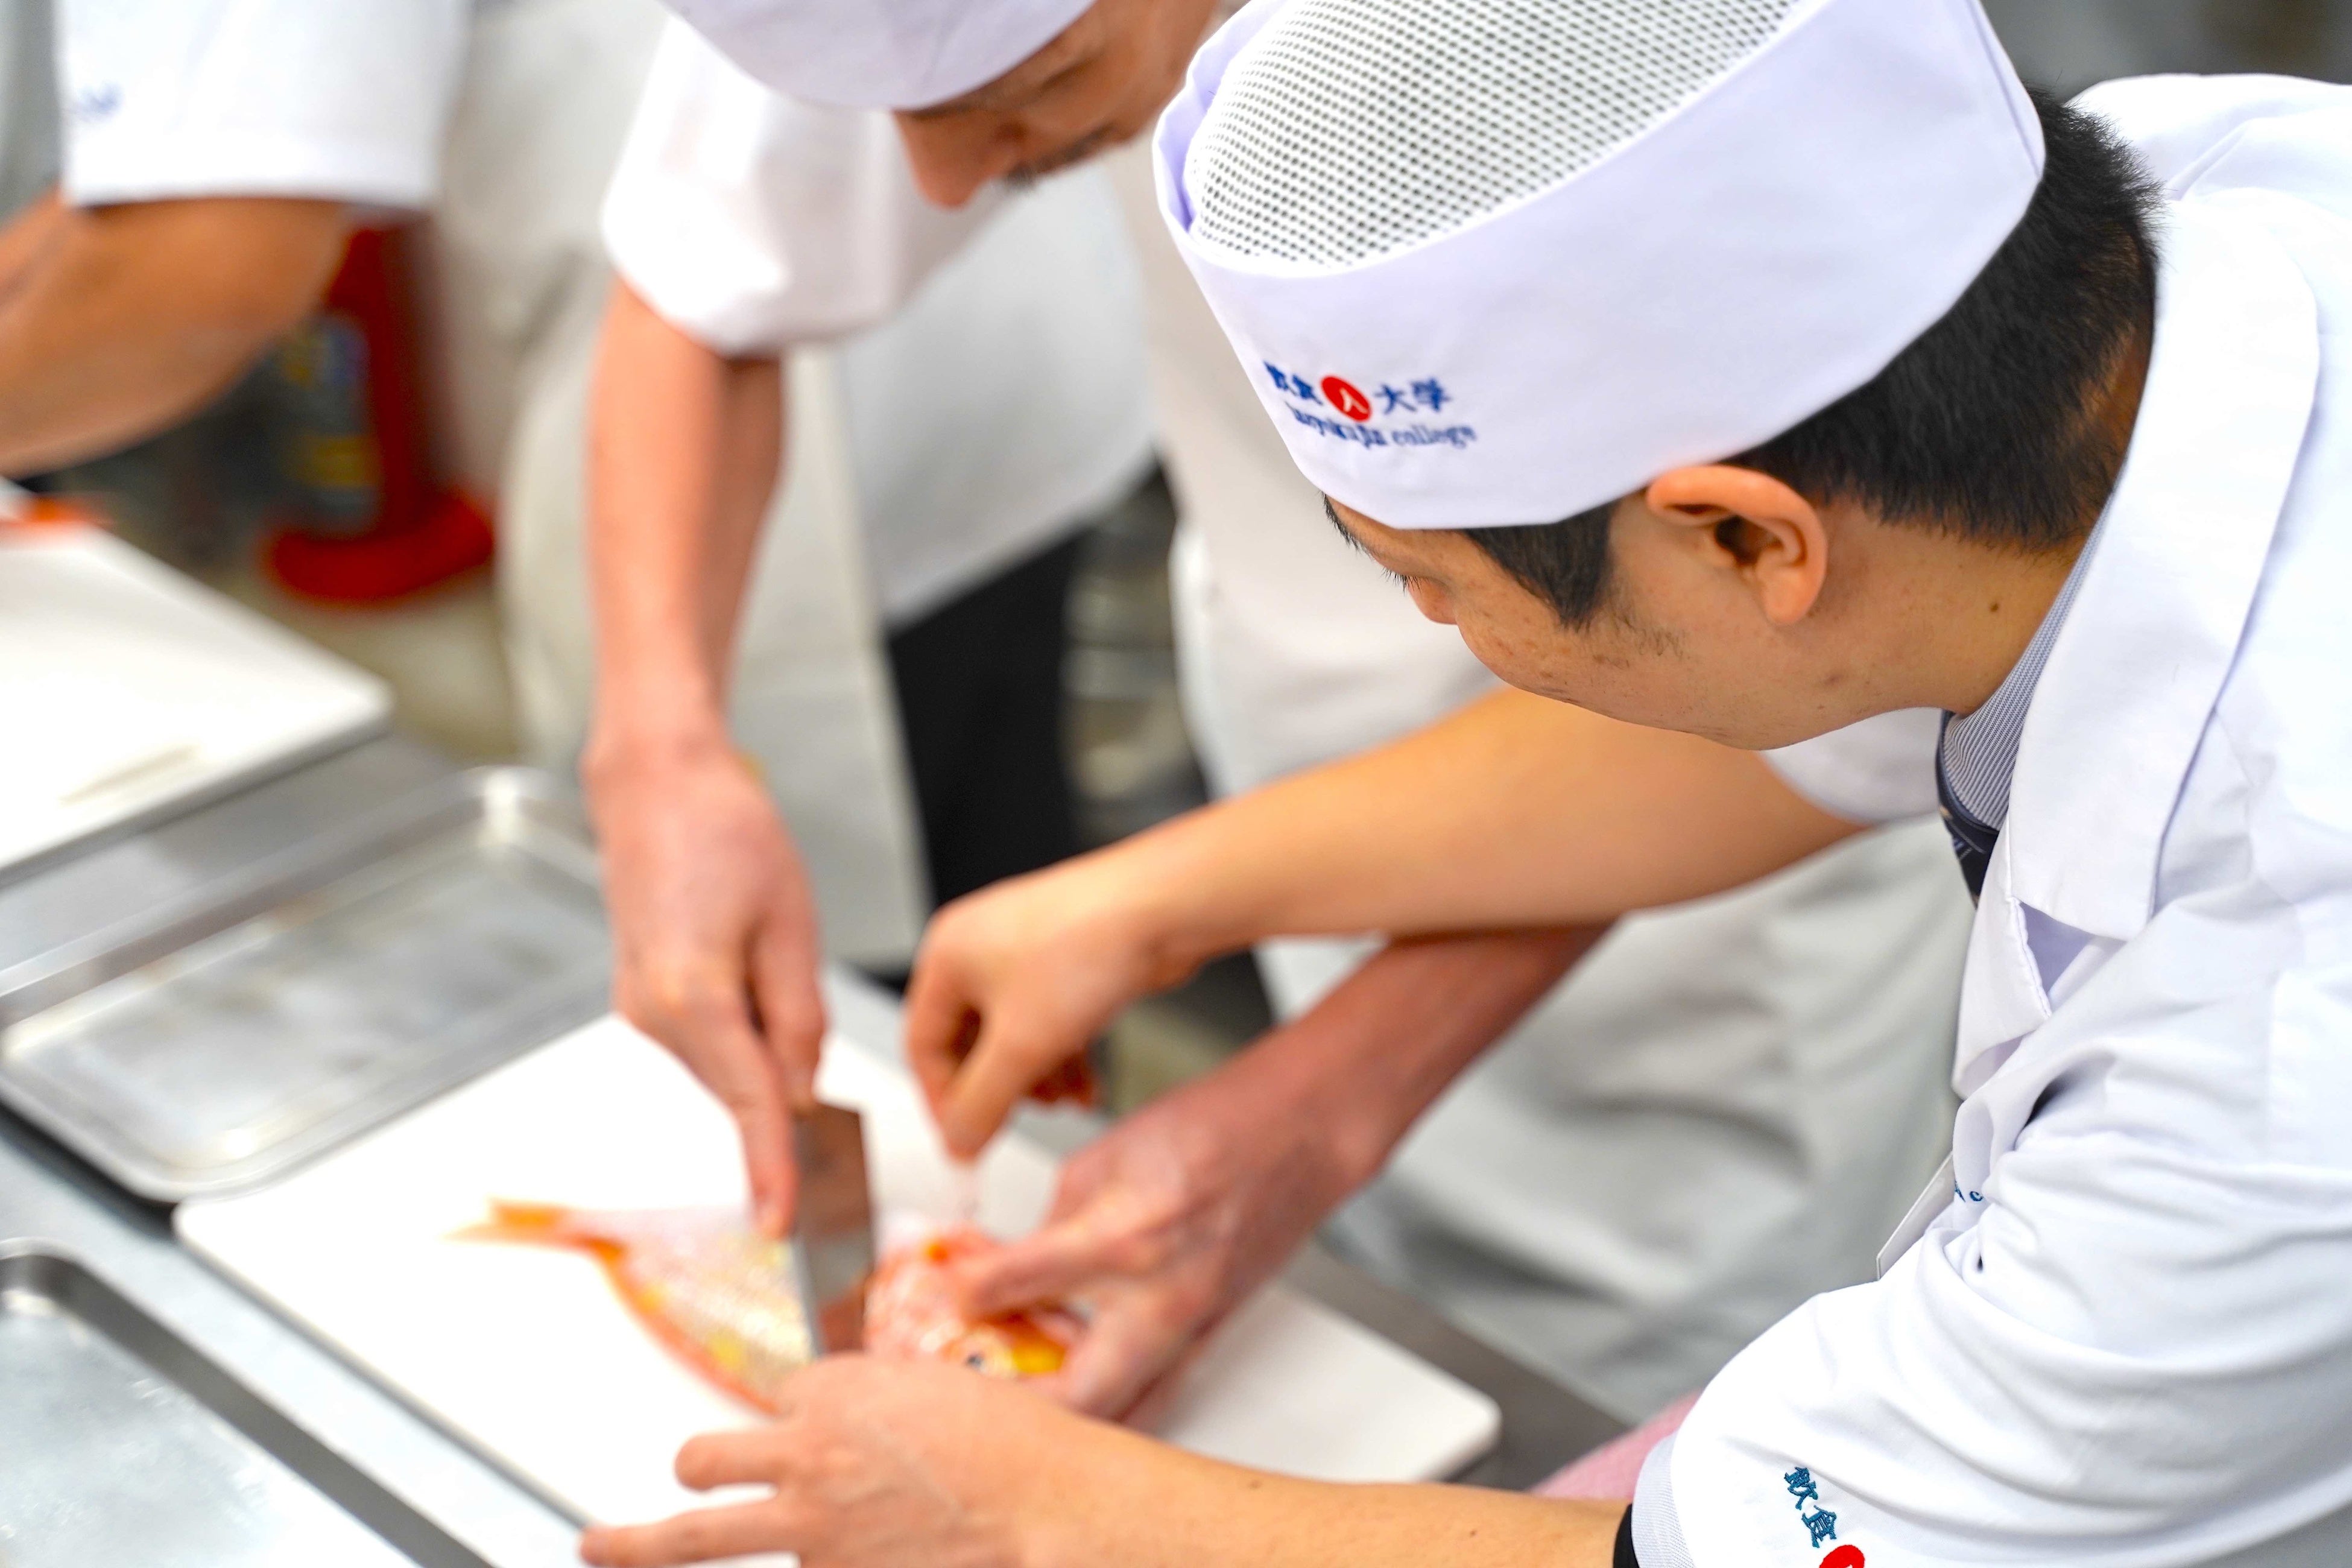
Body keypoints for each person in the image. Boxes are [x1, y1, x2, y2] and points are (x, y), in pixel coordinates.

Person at [577, 1, 2352, 1564]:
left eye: (1430, 587)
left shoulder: (2258, 1060)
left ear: (1742, 537)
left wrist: (1047, 1518)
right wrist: (1161, 894)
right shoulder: (2163, 237)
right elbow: (1849, 706)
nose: (1428, 624)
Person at [578, 22, 1159, 1232]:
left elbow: (1645, 736)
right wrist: (657, 752)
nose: (934, 184)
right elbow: (709, 283)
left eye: (1044, 82)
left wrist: (1311, 1098)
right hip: (1294, 686)